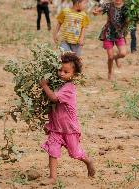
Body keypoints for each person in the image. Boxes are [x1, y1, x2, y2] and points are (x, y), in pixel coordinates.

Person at [40, 52, 95, 185]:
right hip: (56, 127)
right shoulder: (56, 85)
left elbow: (53, 98)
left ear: (74, 75)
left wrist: (44, 85)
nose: (62, 73)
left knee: (75, 153)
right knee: (52, 149)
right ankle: (53, 177)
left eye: (66, 71)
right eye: (60, 70)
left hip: (69, 128)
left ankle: (88, 161)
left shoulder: (69, 88)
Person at [93, 0, 127, 80]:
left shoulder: (126, 7)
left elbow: (129, 19)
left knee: (123, 53)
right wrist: (95, 11)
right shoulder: (108, 5)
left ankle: (116, 58)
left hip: (119, 34)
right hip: (108, 33)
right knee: (110, 57)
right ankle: (110, 72)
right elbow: (98, 10)